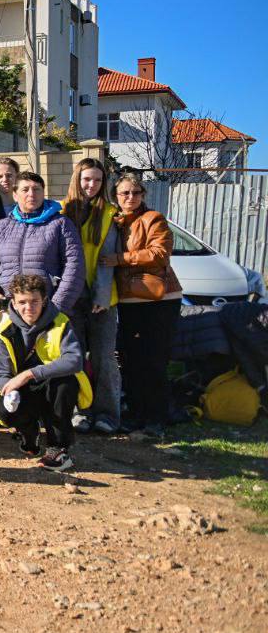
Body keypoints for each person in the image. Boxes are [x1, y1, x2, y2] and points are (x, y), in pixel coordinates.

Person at [0, 274, 91, 472]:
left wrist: (29, 373)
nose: (28, 308)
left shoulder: (61, 322)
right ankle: (29, 432)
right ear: (13, 301)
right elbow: (2, 372)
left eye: (34, 301)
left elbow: (74, 360)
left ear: (44, 300)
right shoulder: (5, 330)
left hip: (52, 387)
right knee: (3, 410)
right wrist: (7, 388)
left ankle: (58, 448)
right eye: (22, 302)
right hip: (24, 390)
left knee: (65, 383)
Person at [113, 174, 183, 438]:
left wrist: (120, 258)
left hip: (159, 300)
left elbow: (160, 253)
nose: (130, 198)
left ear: (143, 195)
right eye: (124, 193)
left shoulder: (153, 219)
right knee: (131, 361)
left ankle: (156, 419)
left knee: (154, 361)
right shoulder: (115, 221)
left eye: (135, 192)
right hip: (129, 301)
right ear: (116, 197)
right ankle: (136, 414)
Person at [61, 158, 124, 434]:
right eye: (87, 179)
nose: (92, 185)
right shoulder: (62, 211)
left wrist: (100, 295)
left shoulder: (110, 213)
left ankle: (107, 414)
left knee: (103, 358)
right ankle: (79, 411)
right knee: (72, 357)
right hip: (70, 297)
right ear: (77, 179)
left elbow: (106, 259)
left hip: (102, 299)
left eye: (97, 180)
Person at [0, 171, 85, 315]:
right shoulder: (2, 226)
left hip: (46, 308)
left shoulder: (61, 224)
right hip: (7, 308)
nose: (31, 194)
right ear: (15, 195)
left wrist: (57, 307)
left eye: (36, 189)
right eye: (25, 189)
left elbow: (75, 267)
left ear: (43, 193)